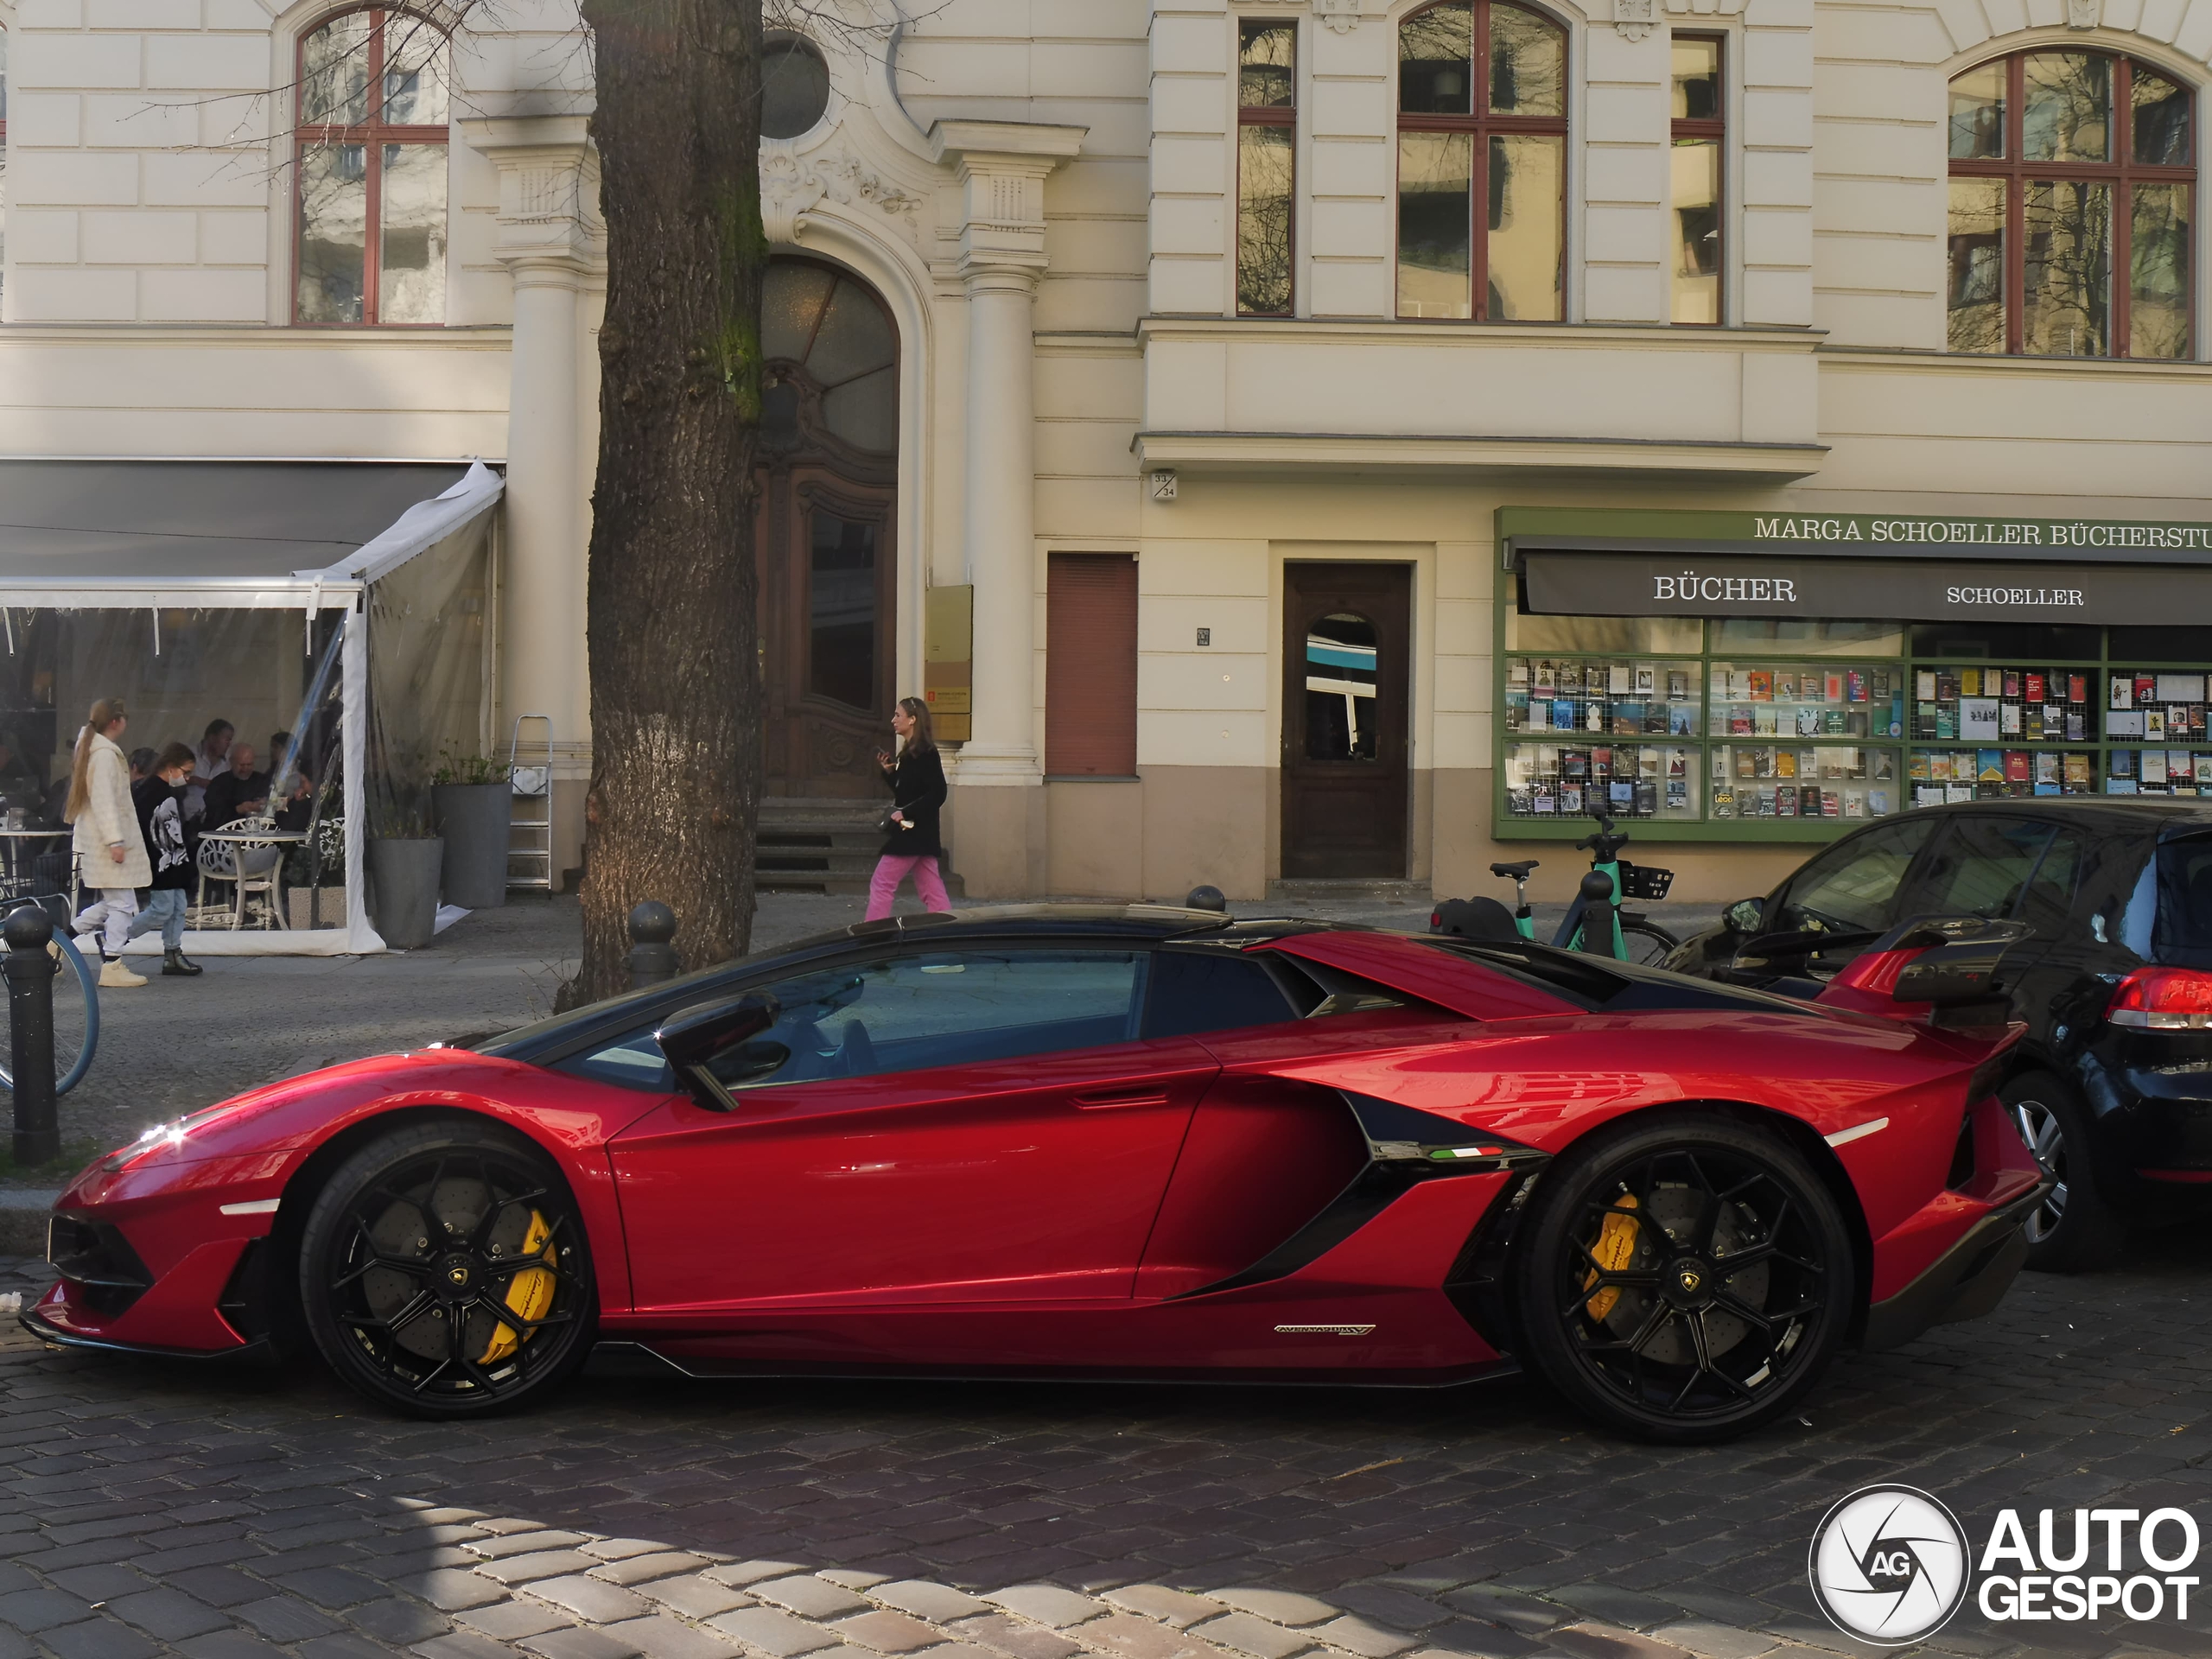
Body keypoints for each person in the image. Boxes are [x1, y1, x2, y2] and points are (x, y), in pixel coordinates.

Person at [64, 698, 151, 989]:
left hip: (98, 841)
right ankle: (112, 963)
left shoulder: (94, 750)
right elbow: (104, 801)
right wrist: (115, 841)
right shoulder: (103, 755)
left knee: (114, 902)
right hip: (106, 843)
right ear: (116, 721)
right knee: (123, 904)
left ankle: (58, 942)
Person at [867, 696, 950, 923]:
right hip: (919, 831)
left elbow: (939, 792)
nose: (893, 720)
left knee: (882, 882)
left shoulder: (926, 753)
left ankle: (873, 931)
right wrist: (890, 772)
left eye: (898, 715)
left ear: (912, 719)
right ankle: (946, 927)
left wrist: (906, 812)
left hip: (912, 831)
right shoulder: (908, 754)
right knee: (931, 888)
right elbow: (905, 792)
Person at [127, 741, 202, 976]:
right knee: (163, 909)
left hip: (171, 859)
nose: (187, 778)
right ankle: (115, 937)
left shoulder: (162, 790)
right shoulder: (151, 791)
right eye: (185, 772)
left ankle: (173, 952)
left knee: (177, 907)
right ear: (171, 767)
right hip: (160, 859)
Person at [201, 742, 270, 830]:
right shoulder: (219, 783)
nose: (245, 769)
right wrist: (239, 809)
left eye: (249, 765)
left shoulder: (263, 780)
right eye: (242, 765)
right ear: (231, 762)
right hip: (225, 834)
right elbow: (213, 814)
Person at [186, 720, 232, 822]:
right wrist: (194, 780)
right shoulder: (188, 754)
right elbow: (170, 781)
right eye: (226, 740)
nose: (229, 744)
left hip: (211, 821)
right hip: (183, 819)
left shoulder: (227, 765)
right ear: (212, 738)